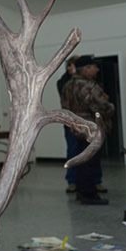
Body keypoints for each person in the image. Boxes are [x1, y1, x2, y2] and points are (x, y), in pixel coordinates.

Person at [62, 55, 114, 205]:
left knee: (80, 161)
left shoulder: (68, 86)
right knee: (90, 162)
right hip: (91, 128)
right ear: (85, 69)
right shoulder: (89, 86)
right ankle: (89, 195)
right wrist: (110, 107)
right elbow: (101, 106)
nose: (97, 69)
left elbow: (65, 108)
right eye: (93, 67)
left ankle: (81, 192)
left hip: (76, 128)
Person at [57, 55, 79, 192]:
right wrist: (73, 76)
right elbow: (64, 92)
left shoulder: (87, 80)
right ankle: (72, 181)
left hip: (86, 121)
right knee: (72, 151)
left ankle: (94, 181)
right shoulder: (63, 81)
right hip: (70, 122)